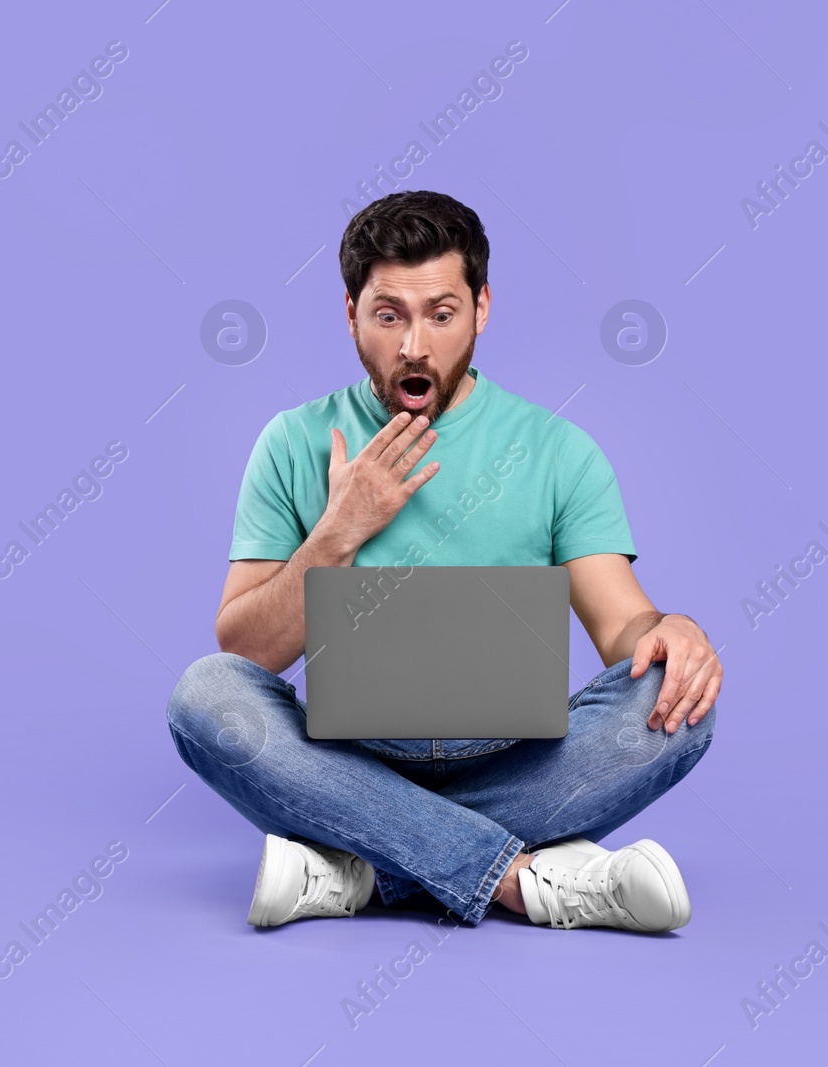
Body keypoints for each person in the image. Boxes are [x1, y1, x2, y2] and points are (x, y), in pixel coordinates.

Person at [167, 190, 723, 932]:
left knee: (677, 698)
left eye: (442, 313)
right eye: (388, 314)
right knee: (204, 697)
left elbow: (624, 623)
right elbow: (245, 651)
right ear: (351, 313)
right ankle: (524, 880)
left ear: (482, 308)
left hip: (513, 762)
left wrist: (670, 627)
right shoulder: (293, 441)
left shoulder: (559, 452)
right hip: (352, 758)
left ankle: (363, 865)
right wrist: (338, 533)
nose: (414, 347)